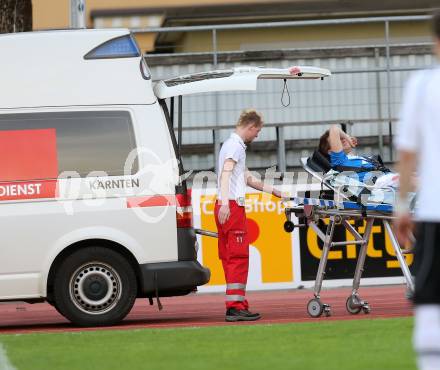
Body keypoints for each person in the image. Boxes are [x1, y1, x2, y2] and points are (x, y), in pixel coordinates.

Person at [394, 11, 440, 370]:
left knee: (429, 300)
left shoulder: (422, 85)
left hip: (435, 211)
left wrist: (401, 206)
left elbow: (408, 153)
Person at [214, 109, 281, 322]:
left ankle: (237, 303)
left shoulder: (231, 145)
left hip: (225, 205)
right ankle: (235, 306)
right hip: (231, 206)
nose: (257, 135)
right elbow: (226, 173)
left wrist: (273, 191)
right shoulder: (235, 147)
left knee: (229, 257)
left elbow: (247, 179)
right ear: (251, 126)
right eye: (258, 131)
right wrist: (226, 203)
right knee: (238, 257)